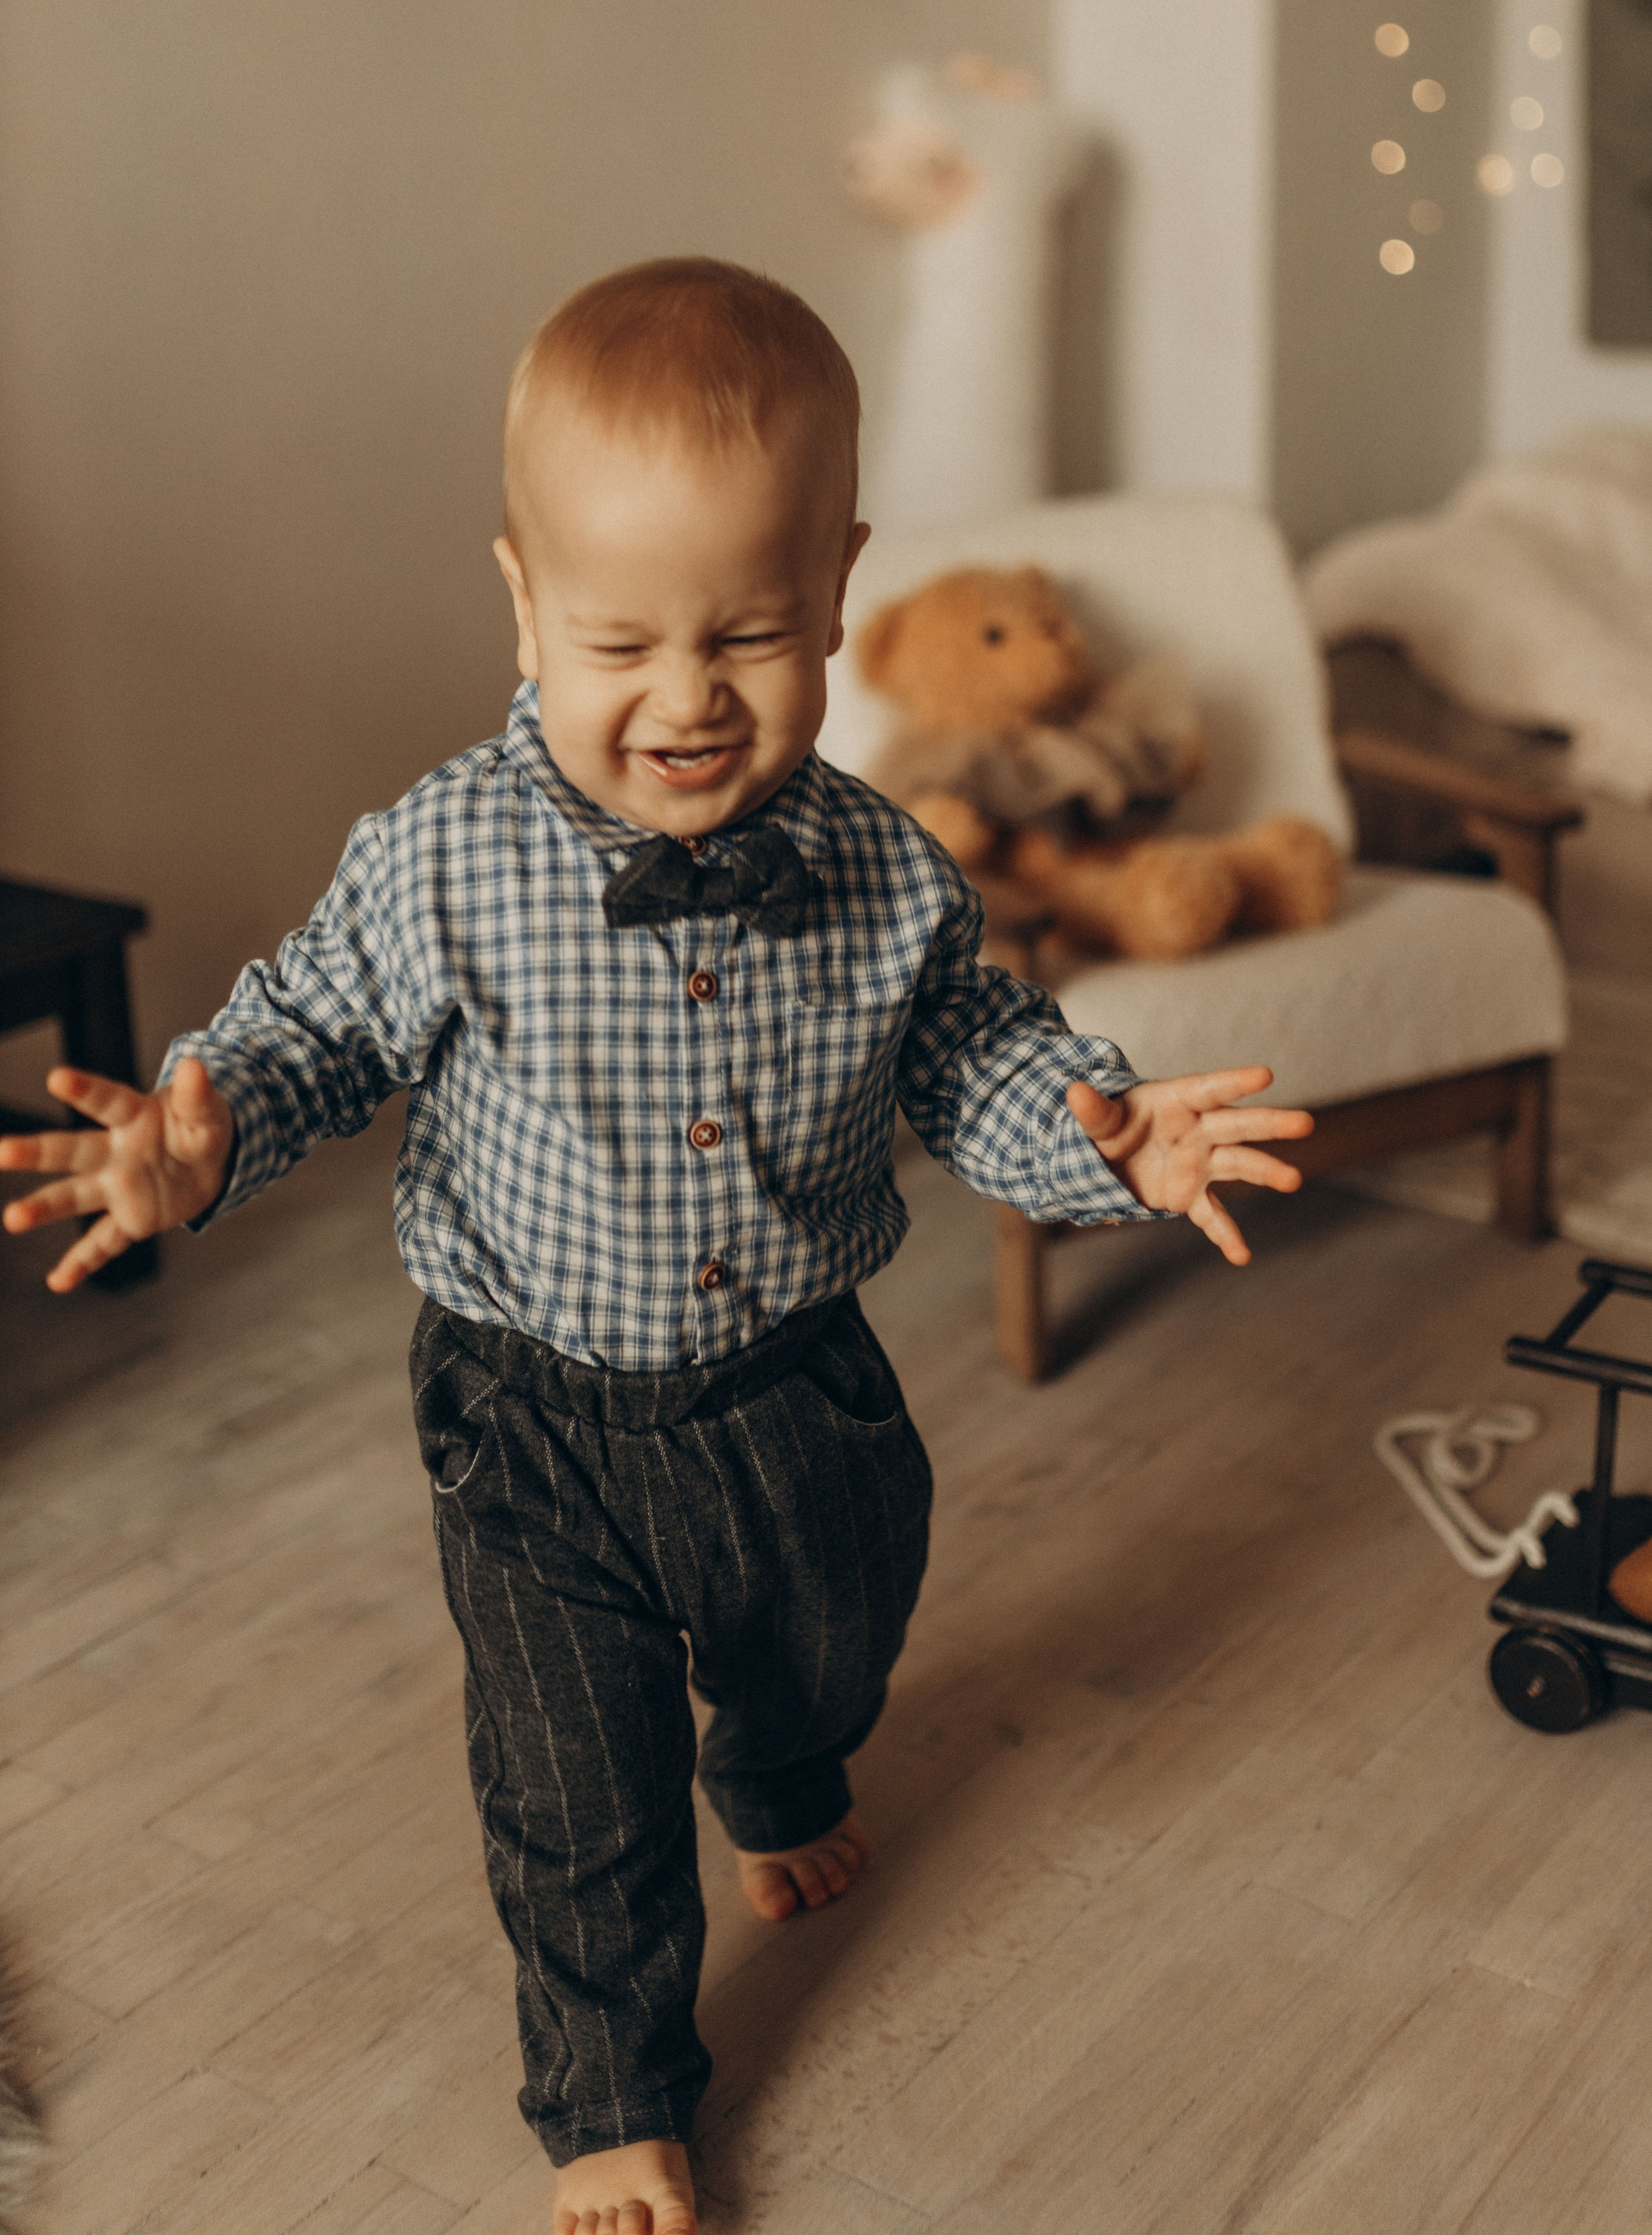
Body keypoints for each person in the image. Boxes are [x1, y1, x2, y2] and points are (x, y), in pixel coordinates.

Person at [0, 258, 1313, 2235]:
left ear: (841, 586)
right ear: (525, 601)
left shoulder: (888, 869)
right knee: (574, 1782)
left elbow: (975, 1055)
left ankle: (778, 1769)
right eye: (620, 639)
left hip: (801, 1389)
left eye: (752, 632)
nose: (689, 695)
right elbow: (310, 1028)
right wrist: (201, 1140)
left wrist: (1103, 1134)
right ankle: (612, 2087)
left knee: (835, 1640)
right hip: (530, 1417)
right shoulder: (445, 857)